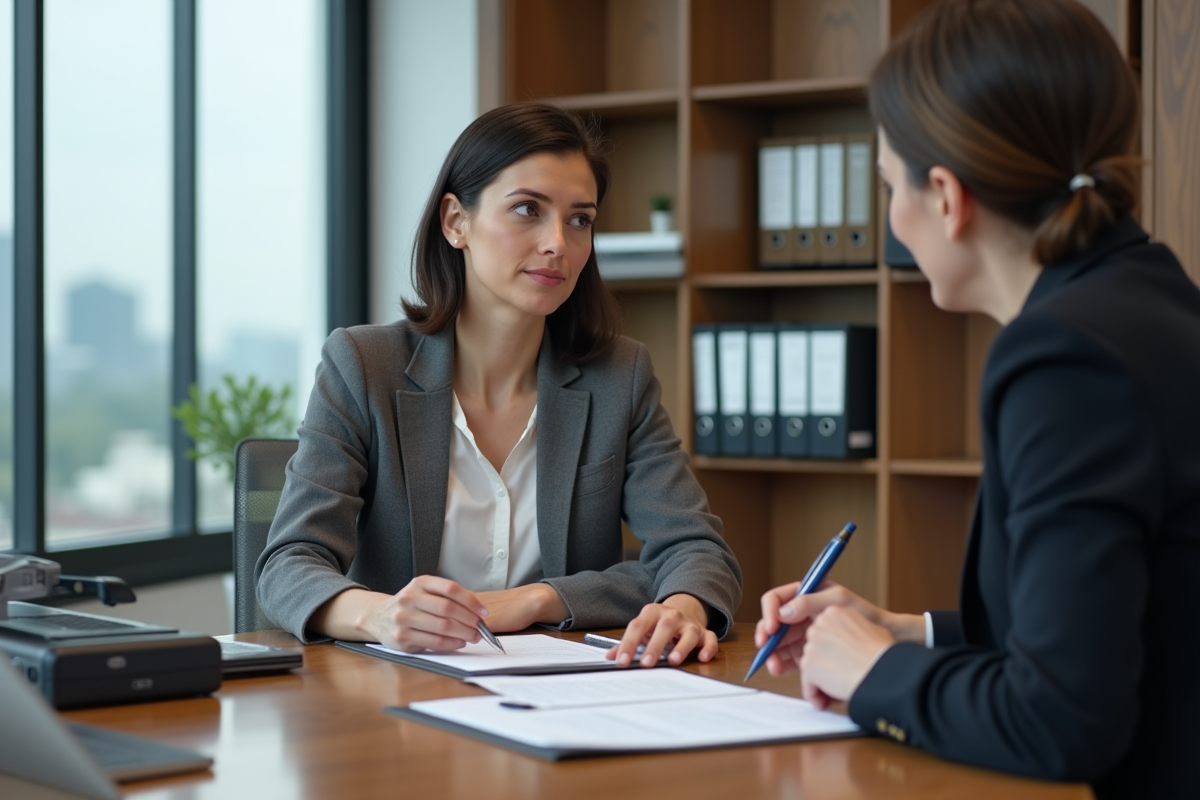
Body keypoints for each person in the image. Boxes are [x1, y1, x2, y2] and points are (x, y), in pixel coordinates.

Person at [754, 1, 1200, 797]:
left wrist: (878, 671)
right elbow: (1121, 624)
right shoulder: (1150, 294)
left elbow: (1060, 720)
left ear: (946, 196)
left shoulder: (1063, 357)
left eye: (888, 185)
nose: (891, 217)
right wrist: (907, 634)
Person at [257, 102, 742, 669]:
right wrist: (380, 615)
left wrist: (656, 605)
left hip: (562, 689)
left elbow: (696, 551)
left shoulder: (620, 376)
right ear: (455, 222)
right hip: (392, 689)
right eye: (527, 210)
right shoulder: (364, 366)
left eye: (579, 220)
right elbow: (288, 566)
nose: (557, 242)